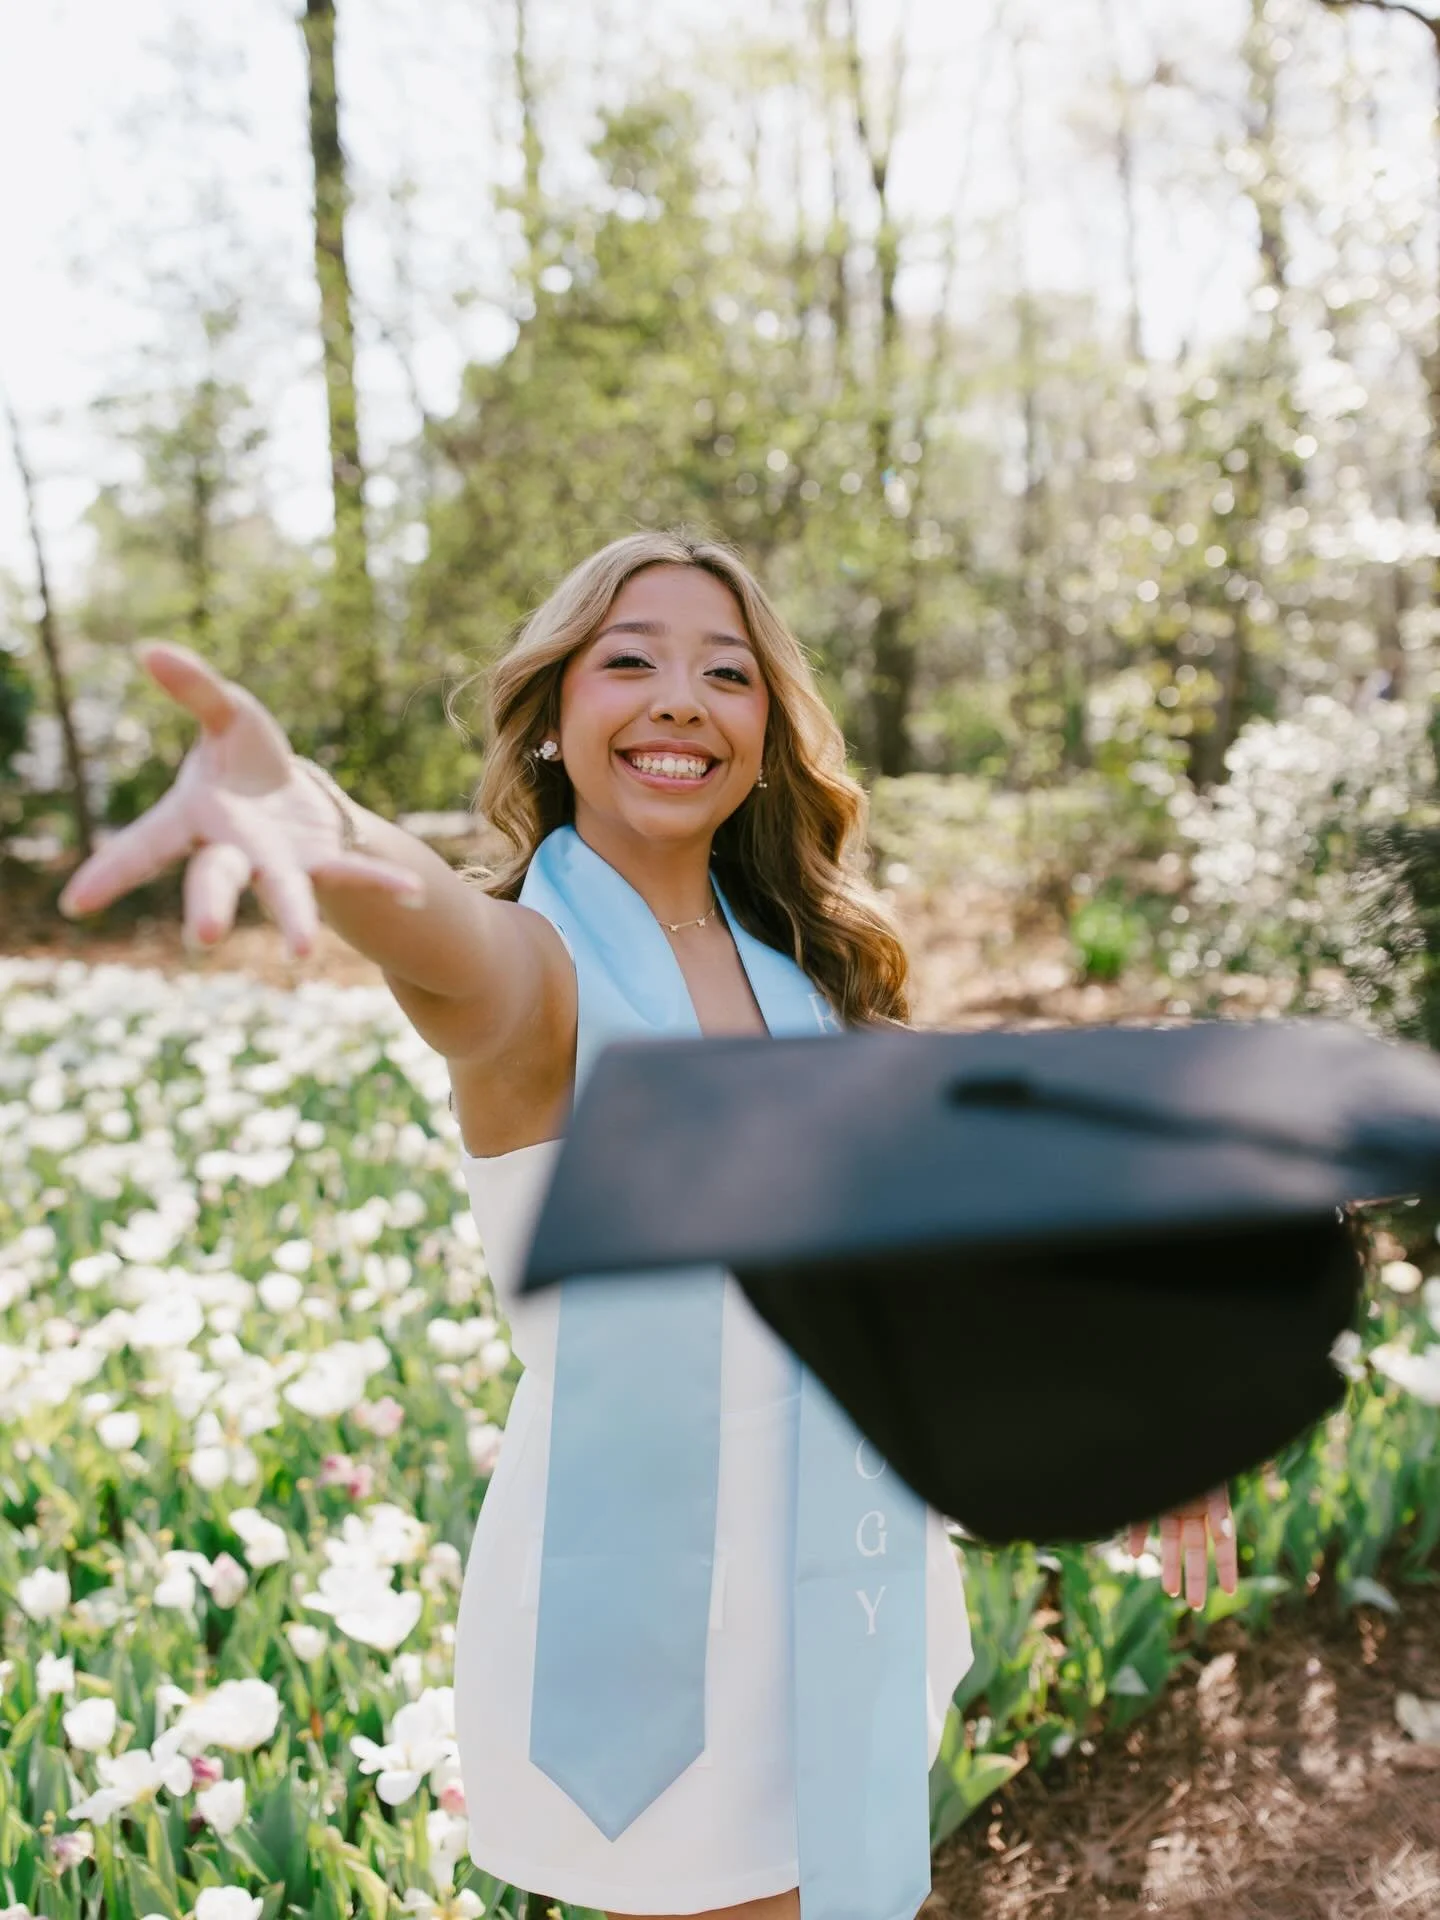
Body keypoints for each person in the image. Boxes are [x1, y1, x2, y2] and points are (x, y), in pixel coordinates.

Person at [59, 527, 1238, 1920]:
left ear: (764, 734)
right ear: (554, 717)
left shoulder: (814, 991)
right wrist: (319, 819)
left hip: (846, 1604)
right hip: (649, 1654)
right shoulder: (541, 982)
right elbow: (442, 938)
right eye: (630, 660)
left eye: (726, 673)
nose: (680, 697)